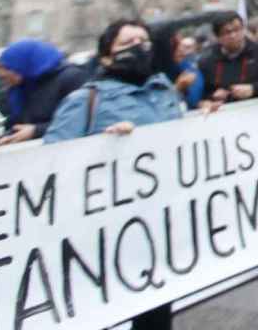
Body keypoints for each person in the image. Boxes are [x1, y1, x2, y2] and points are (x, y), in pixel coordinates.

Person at [44, 19, 184, 329]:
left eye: (144, 41)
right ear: (106, 57)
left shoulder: (165, 92)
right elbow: (50, 167)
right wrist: (102, 147)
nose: (139, 48)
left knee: (155, 317)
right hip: (103, 236)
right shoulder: (84, 100)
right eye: (128, 43)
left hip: (157, 230)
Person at [0, 39, 88, 148]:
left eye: (7, 68)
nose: (1, 75)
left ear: (25, 63)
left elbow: (79, 120)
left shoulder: (71, 78)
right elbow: (17, 123)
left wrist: (36, 130)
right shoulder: (20, 88)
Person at [198, 12, 258, 108]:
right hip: (227, 114)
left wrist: (253, 89)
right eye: (227, 32)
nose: (233, 35)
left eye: (237, 30)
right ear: (218, 37)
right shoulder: (207, 62)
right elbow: (201, 95)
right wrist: (213, 96)